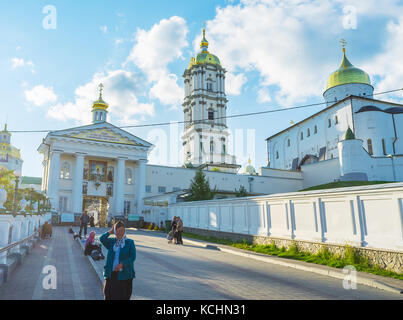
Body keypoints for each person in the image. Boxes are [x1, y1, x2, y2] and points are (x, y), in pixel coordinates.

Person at [100, 221, 136, 300]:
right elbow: (102, 239)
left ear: (125, 231)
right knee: (109, 295)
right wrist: (110, 232)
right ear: (115, 232)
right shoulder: (111, 241)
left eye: (122, 231)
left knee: (123, 296)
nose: (120, 233)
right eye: (118, 231)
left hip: (125, 275)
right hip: (111, 274)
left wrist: (122, 264)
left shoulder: (129, 242)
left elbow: (132, 257)